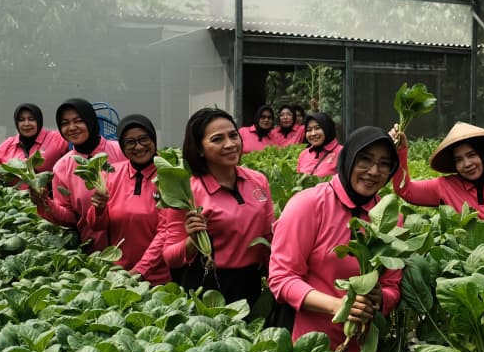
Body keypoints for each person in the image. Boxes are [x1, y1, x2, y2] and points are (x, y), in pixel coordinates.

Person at [269, 127, 403, 352]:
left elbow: (392, 286)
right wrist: (339, 306)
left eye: (384, 164)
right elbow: (282, 278)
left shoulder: (390, 217)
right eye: (365, 160)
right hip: (313, 344)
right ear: (348, 158)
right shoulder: (308, 204)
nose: (374, 171)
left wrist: (380, 298)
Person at [160, 108, 274, 307]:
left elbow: (268, 238)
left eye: (233, 135)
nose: (230, 144)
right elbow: (171, 258)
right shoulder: (187, 192)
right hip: (209, 286)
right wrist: (192, 240)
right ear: (199, 149)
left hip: (253, 283)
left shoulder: (258, 181)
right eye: (217, 139)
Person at [87, 114, 169, 283]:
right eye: (130, 142)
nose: (138, 147)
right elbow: (97, 226)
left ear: (153, 139)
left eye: (144, 139)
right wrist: (98, 209)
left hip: (158, 277)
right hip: (118, 273)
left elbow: (166, 231)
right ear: (122, 147)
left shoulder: (169, 176)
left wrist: (139, 271)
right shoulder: (111, 174)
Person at [32, 98, 126, 242]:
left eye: (78, 121)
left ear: (91, 121)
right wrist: (44, 203)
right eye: (65, 123)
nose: (72, 127)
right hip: (94, 249)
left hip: (134, 246)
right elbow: (69, 217)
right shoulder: (62, 167)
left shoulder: (121, 151)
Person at [391, 121, 484, 214]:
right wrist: (400, 151)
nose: (467, 164)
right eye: (459, 160)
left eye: (472, 155)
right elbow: (406, 190)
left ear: (483, 155)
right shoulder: (445, 186)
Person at [0, 103, 70, 181]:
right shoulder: (10, 143)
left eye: (31, 119)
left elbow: (75, 152)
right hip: (15, 196)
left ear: (39, 120)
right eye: (21, 120)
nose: (26, 124)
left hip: (49, 195)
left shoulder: (56, 138)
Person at [297, 111, 342, 176]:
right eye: (309, 130)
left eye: (317, 128)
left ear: (327, 129)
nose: (313, 133)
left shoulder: (342, 153)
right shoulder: (303, 154)